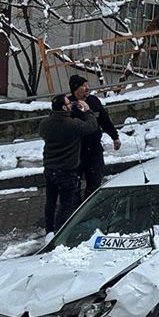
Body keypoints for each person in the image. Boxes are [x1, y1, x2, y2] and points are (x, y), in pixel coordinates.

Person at [40, 94, 99, 234]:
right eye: (68, 103)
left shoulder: (45, 124)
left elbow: (43, 132)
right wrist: (88, 110)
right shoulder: (72, 124)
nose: (71, 105)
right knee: (66, 205)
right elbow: (92, 126)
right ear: (64, 107)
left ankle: (49, 230)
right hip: (66, 171)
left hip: (49, 169)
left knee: (50, 202)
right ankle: (60, 233)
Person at [68, 75, 122, 200]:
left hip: (94, 149)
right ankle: (75, 206)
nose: (87, 88)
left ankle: (90, 203)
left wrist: (115, 137)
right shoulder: (69, 105)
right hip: (76, 151)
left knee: (95, 180)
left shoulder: (94, 101)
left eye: (87, 84)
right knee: (73, 184)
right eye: (83, 85)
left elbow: (104, 120)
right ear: (75, 89)